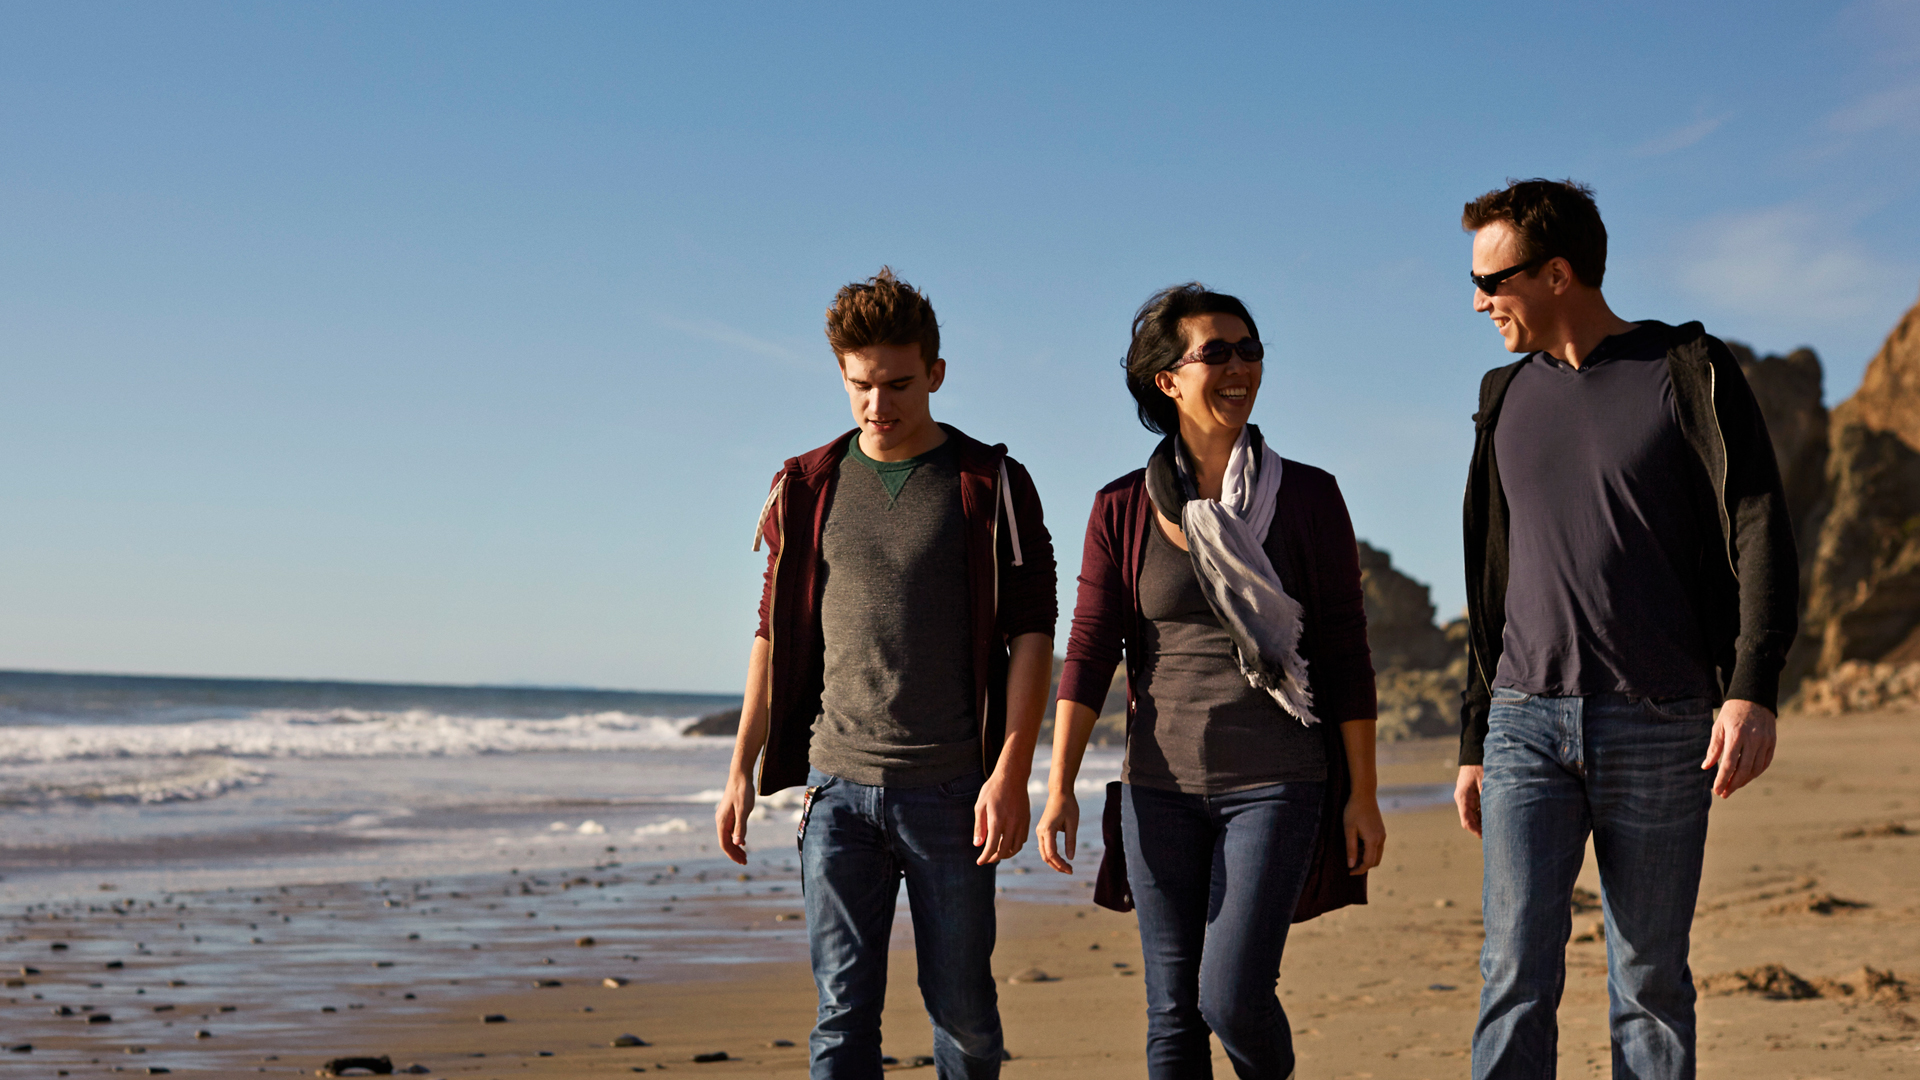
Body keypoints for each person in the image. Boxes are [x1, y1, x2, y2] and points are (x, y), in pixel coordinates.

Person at [1453, 179, 1798, 1078]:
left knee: (1648, 980)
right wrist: (1474, 735)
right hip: (1524, 722)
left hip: (1662, 717)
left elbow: (1758, 523)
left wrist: (1752, 686)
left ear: (1557, 273)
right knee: (1513, 973)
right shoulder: (1502, 396)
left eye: (1491, 280)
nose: (1479, 302)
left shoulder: (1687, 368)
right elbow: (1490, 581)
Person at [713, 267, 1056, 1080]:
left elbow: (1033, 635)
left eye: (898, 384)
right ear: (841, 374)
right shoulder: (805, 486)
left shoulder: (990, 484)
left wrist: (1011, 773)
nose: (878, 404)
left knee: (964, 1014)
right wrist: (738, 771)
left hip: (954, 795)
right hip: (836, 794)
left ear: (935, 373)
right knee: (841, 1016)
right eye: (861, 385)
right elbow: (770, 637)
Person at [1037, 283, 1384, 1080]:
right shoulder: (1120, 507)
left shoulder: (1308, 496)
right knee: (1171, 1014)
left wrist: (1362, 793)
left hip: (1278, 784)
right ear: (1167, 379)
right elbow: (1089, 651)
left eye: (1250, 350)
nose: (1240, 368)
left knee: (1230, 997)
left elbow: (1343, 651)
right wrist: (1057, 788)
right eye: (1216, 352)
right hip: (1157, 790)